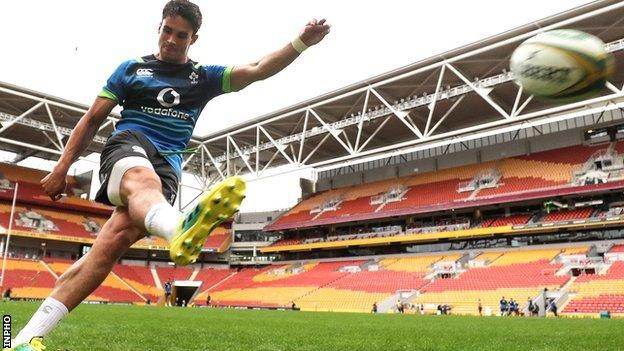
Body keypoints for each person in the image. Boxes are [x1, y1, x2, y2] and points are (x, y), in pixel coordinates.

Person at [8, 1, 330, 350]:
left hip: (168, 167)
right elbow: (91, 119)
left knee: (106, 249)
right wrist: (62, 166)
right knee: (143, 183)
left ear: (194, 38)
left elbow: (257, 68)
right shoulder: (131, 70)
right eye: (166, 30)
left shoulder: (203, 78)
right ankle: (178, 228)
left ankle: (21, 340)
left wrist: (301, 42)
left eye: (181, 35)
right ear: (158, 28)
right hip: (129, 144)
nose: (171, 40)